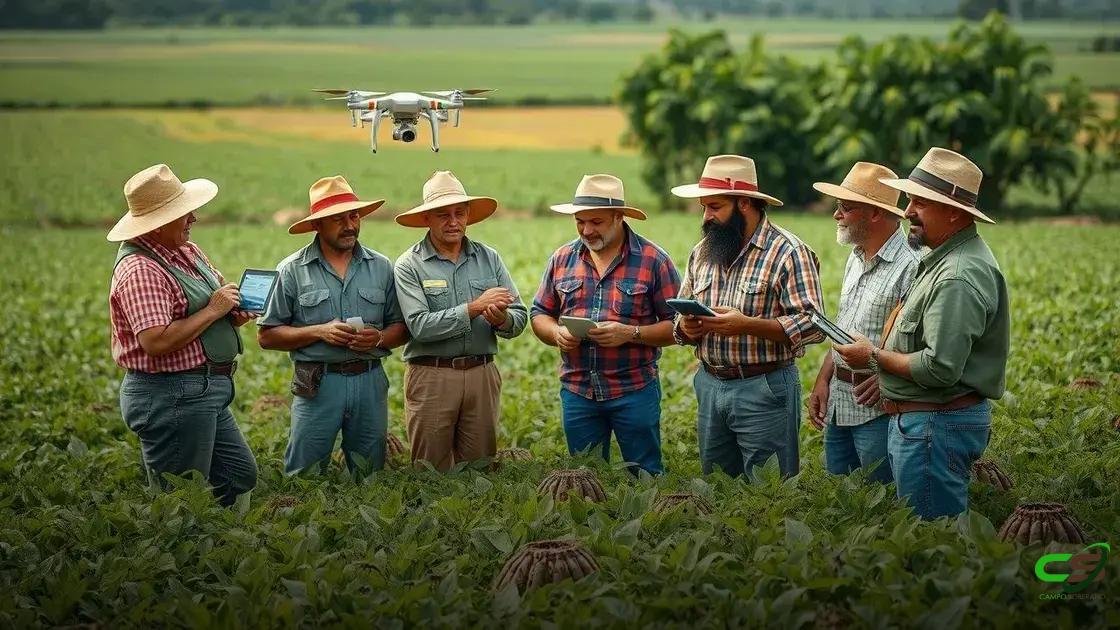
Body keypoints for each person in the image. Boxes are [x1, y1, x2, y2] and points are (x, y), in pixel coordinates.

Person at [833, 147, 1010, 520]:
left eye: (920, 203)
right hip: (925, 425)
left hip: (934, 426)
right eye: (910, 200)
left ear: (953, 212)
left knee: (932, 538)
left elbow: (939, 367)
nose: (908, 211)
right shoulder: (942, 260)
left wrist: (873, 357)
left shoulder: (957, 275)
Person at [108, 163, 257, 505]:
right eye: (184, 213)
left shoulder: (187, 251)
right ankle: (179, 539)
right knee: (179, 500)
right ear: (158, 223)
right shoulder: (140, 270)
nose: (193, 219)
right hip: (171, 394)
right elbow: (156, 341)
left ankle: (212, 535)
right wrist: (214, 310)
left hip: (203, 390)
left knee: (238, 475)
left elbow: (209, 308)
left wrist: (232, 314)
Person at [672, 154, 825, 478]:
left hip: (763, 386)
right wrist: (686, 327)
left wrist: (747, 325)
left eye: (715, 206)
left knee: (769, 490)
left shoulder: (788, 252)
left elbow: (814, 324)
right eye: (704, 207)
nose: (707, 216)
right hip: (710, 384)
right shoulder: (702, 252)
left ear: (743, 203)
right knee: (718, 485)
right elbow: (681, 315)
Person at [530, 174, 681, 475]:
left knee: (645, 474)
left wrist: (632, 333)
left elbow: (679, 327)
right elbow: (539, 313)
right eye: (580, 222)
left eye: (596, 222)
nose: (587, 230)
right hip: (578, 390)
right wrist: (557, 333)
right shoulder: (562, 259)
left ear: (619, 217)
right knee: (584, 479)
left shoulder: (654, 261)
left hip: (634, 390)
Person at [257, 176, 408, 475]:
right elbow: (267, 336)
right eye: (338, 219)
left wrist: (378, 339)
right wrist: (318, 331)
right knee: (305, 472)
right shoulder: (292, 270)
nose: (350, 225)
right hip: (317, 382)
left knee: (370, 472)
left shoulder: (381, 267)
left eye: (354, 216)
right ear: (317, 225)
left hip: (369, 380)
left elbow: (401, 327)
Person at [393, 171, 528, 471]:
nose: (453, 221)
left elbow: (520, 316)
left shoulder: (489, 258)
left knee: (480, 469)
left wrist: (502, 319)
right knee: (431, 472)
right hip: (432, 376)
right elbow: (420, 326)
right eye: (443, 215)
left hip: (482, 374)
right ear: (427, 218)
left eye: (459, 213)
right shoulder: (409, 265)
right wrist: (474, 307)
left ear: (468, 215)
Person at [807, 162, 919, 484]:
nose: (836, 214)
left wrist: (887, 378)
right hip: (839, 404)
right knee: (842, 499)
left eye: (845, 207)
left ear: (875, 214)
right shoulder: (855, 256)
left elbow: (919, 345)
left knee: (880, 501)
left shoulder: (910, 266)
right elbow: (846, 326)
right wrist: (824, 377)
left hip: (877, 408)